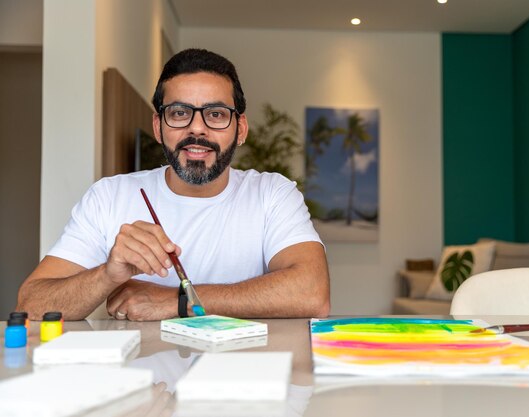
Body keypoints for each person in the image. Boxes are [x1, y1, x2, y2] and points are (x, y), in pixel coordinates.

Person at [17, 49, 330, 321]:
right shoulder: (108, 197)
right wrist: (107, 274)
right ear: (158, 125)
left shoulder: (272, 194)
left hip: (243, 382)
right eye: (179, 113)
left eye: (216, 114)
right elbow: (30, 304)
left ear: (241, 128)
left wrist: (177, 301)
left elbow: (312, 292)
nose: (197, 128)